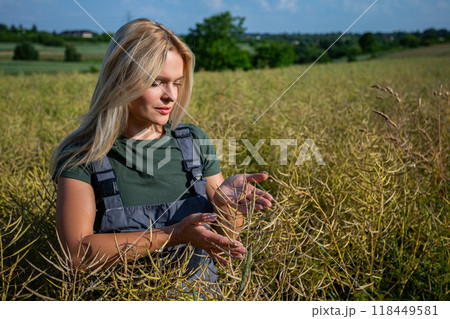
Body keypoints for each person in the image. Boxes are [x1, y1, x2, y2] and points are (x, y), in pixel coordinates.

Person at [49, 19, 273, 288]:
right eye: (157, 82)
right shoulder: (83, 156)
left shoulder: (194, 141)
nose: (171, 96)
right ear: (122, 79)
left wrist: (227, 207)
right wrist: (172, 235)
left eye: (177, 83)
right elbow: (77, 254)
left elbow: (226, 237)